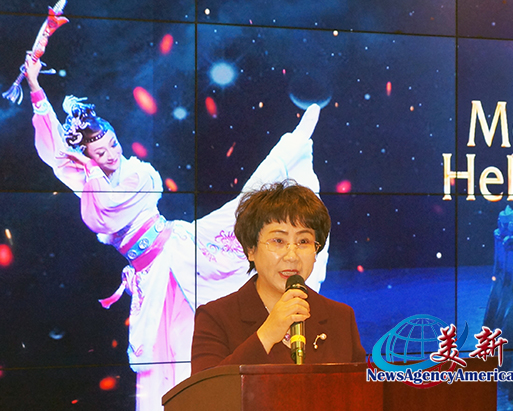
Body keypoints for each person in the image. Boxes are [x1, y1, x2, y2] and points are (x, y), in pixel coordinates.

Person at [24, 56, 329, 410]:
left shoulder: (131, 175)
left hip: (178, 253)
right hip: (150, 277)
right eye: (101, 151)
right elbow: (56, 156)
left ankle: (293, 148)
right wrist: (35, 88)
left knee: (247, 212)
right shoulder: (89, 184)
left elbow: (112, 204)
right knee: (163, 358)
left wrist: (88, 167)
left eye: (113, 144)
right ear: (88, 154)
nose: (111, 154)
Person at [191, 181, 365, 374]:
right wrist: (267, 333)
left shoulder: (340, 318)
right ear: (251, 249)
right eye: (278, 241)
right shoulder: (216, 318)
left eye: (303, 241)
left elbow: (361, 390)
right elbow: (205, 390)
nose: (292, 256)